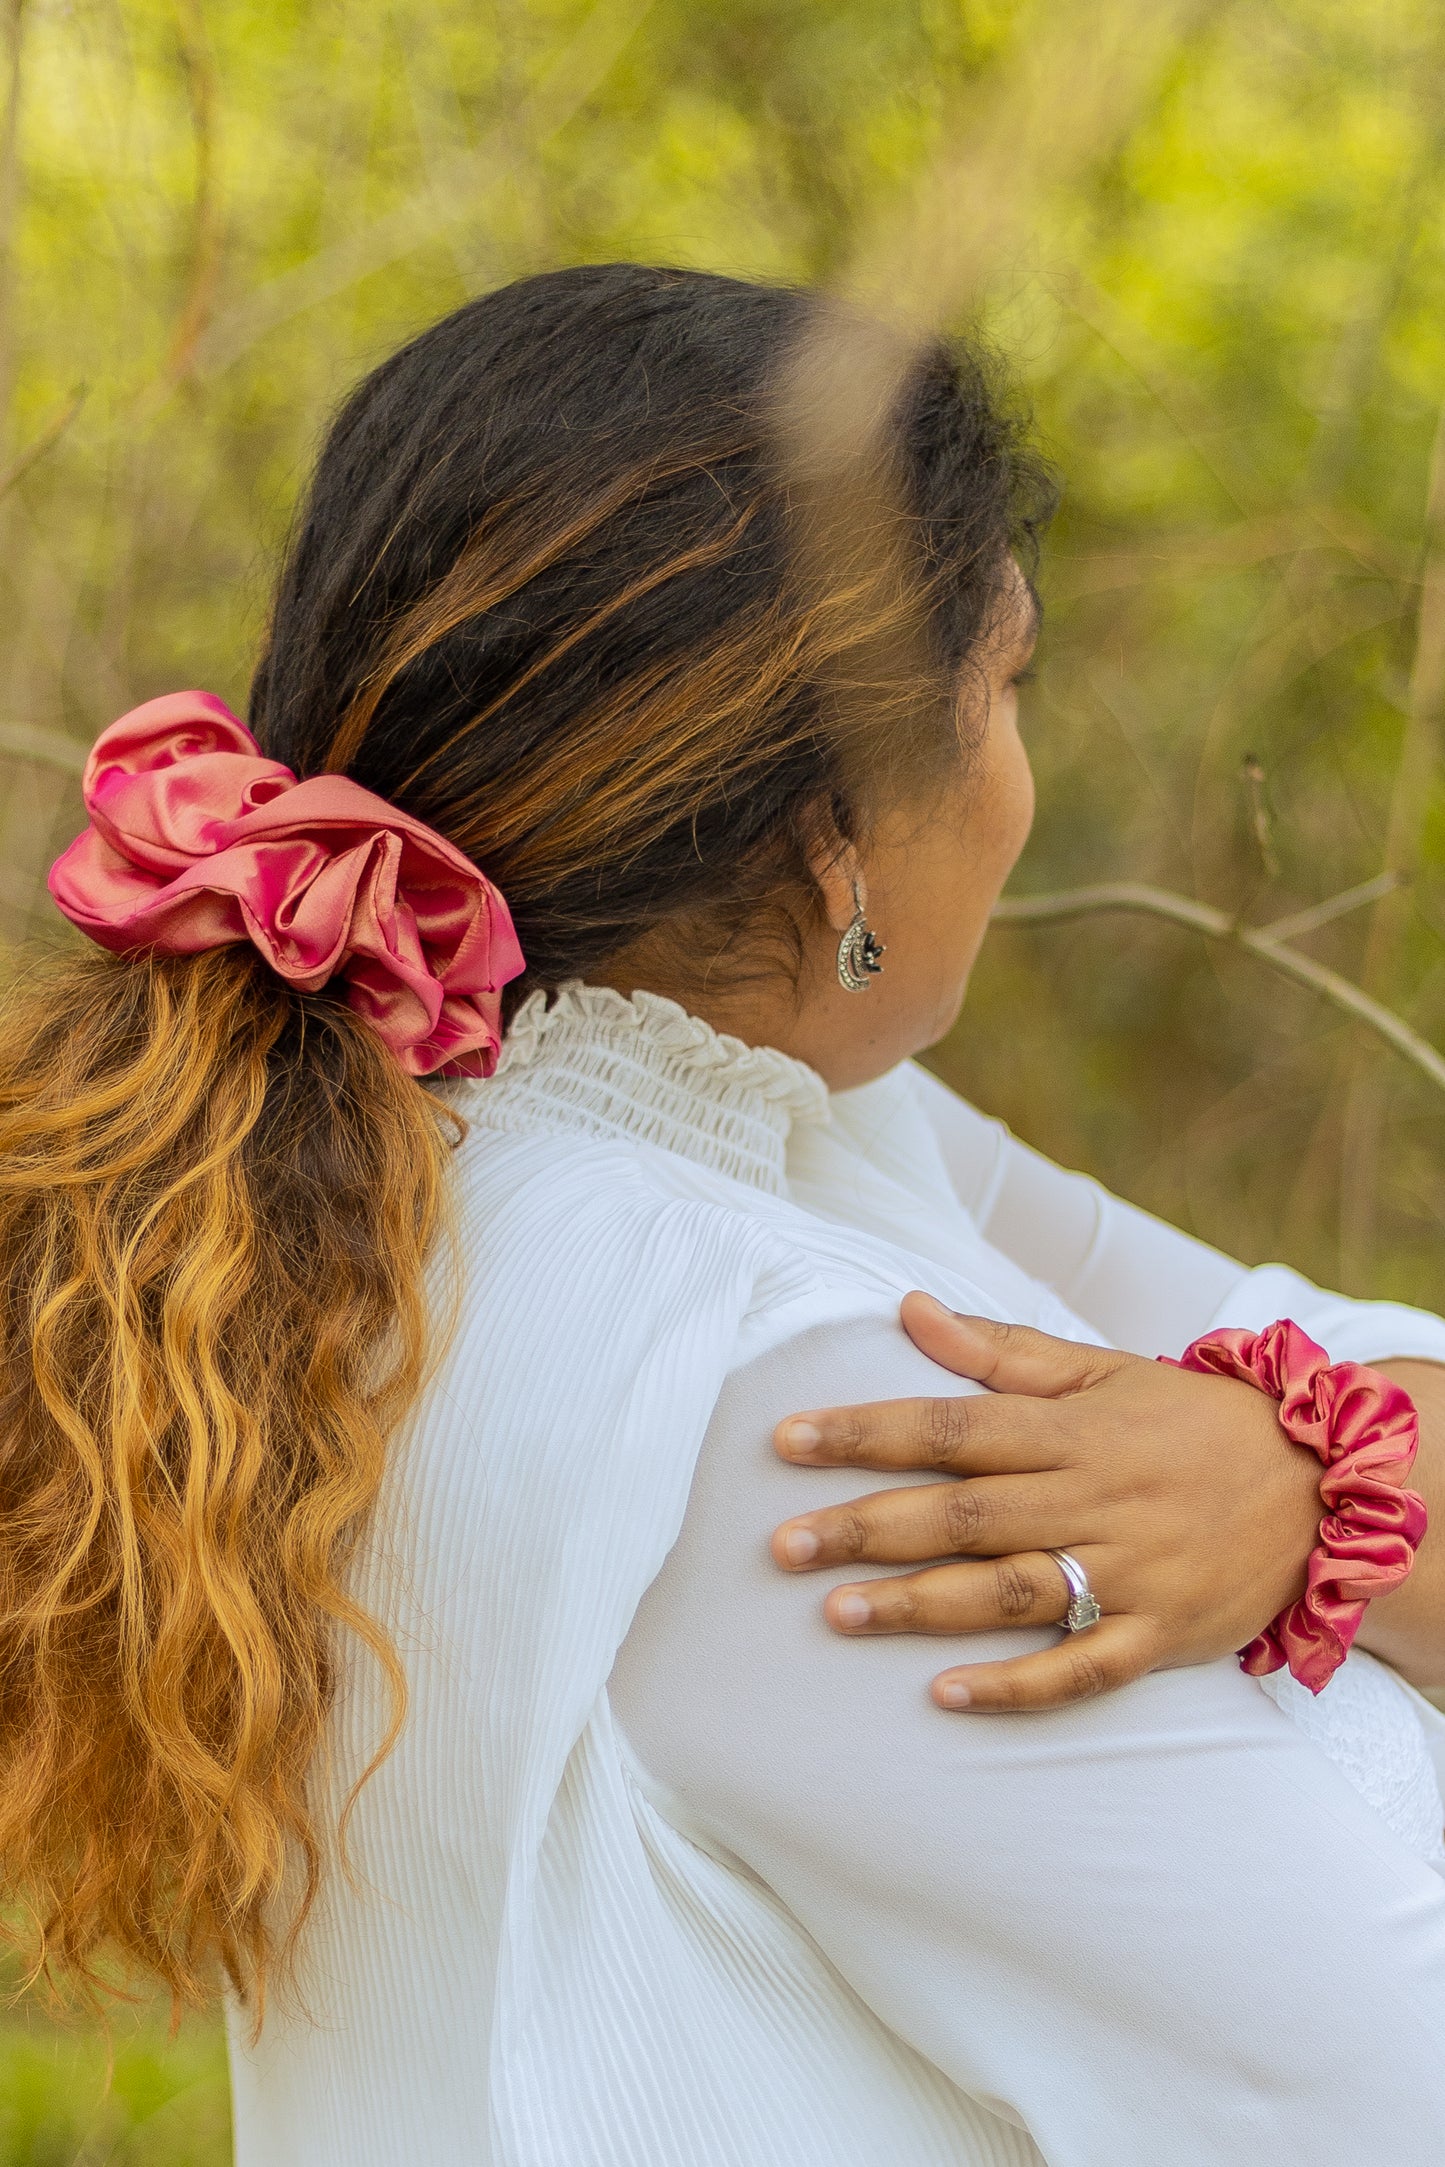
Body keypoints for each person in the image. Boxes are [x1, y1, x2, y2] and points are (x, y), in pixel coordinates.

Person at [7, 262, 1445, 2167]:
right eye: (1001, 690)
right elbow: (1377, 2086)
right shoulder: (801, 1401)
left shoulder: (459, 1147)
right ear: (838, 825)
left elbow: (1365, 1360)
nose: (1021, 778)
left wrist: (1304, 1491)